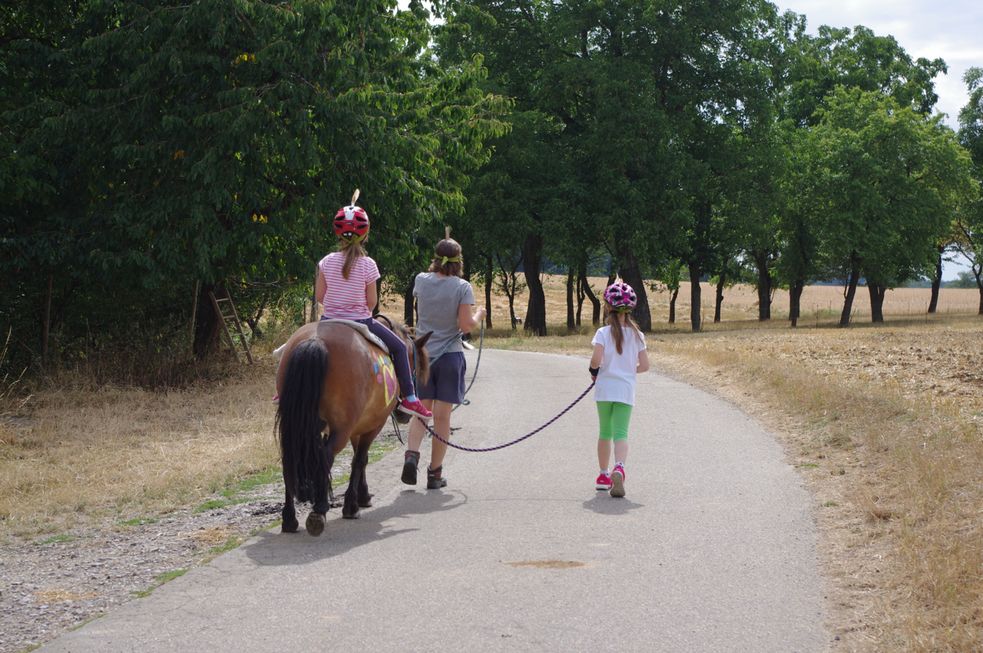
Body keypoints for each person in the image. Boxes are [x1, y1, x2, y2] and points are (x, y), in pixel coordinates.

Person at [277, 193, 432, 420]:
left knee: (291, 346)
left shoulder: (326, 261)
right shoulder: (368, 264)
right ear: (365, 234)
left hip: (328, 321)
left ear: (337, 233)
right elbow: (372, 302)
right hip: (361, 322)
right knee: (399, 347)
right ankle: (409, 397)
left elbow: (320, 296)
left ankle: (282, 391)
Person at [401, 235, 485, 489]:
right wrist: (480, 313)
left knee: (421, 412)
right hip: (450, 356)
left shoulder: (420, 280)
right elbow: (465, 325)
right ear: (459, 262)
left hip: (424, 355)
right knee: (442, 419)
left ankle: (412, 454)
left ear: (435, 258)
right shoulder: (462, 287)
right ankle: (435, 473)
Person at [588, 280, 650, 498]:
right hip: (625, 390)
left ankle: (604, 475)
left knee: (605, 432)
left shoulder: (603, 333)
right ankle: (620, 467)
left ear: (607, 307)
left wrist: (595, 370)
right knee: (621, 433)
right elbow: (645, 366)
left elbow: (596, 360)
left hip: (604, 390)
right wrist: (628, 370)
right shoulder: (637, 336)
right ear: (630, 309)